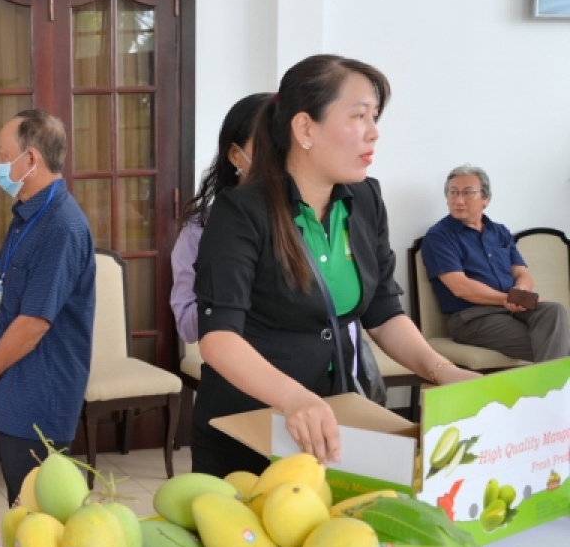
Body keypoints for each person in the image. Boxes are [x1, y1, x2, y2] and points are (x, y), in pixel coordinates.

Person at [192, 54, 478, 478]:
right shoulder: (241, 213)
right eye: (359, 116)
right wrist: (294, 399)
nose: (374, 133)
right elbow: (219, 340)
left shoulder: (364, 200)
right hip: (250, 425)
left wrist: (443, 370)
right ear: (305, 128)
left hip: (335, 420)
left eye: (375, 117)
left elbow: (383, 312)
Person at [0, 110, 96, 506]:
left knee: (39, 512)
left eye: (4, 154)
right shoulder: (29, 216)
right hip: (16, 384)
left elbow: (35, 321)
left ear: (31, 159)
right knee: (23, 508)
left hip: (40, 392)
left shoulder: (60, 226)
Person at [421, 164, 570, 363]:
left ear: (486, 199)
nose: (458, 200)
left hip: (512, 310)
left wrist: (521, 293)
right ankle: (554, 394)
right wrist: (508, 299)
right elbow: (461, 288)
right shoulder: (439, 236)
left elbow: (522, 273)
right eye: (452, 193)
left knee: (554, 310)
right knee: (556, 342)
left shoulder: (500, 232)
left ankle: (548, 392)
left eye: (467, 193)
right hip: (473, 318)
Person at [171, 93, 271, 343]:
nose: (277, 157)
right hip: (239, 367)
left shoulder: (311, 217)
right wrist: (234, 291)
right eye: (267, 144)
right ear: (236, 155)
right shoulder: (201, 227)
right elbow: (187, 327)